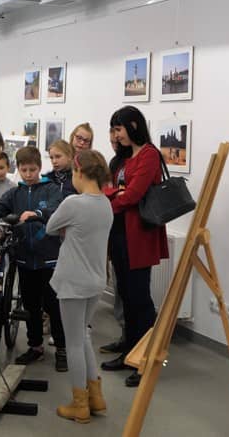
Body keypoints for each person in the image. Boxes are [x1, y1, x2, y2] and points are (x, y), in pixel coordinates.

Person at [100, 106, 168, 388]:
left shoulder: (149, 154)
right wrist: (115, 193)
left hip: (138, 236)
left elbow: (134, 194)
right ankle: (130, 351)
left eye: (118, 129)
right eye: (113, 130)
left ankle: (146, 360)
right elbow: (106, 188)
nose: (115, 135)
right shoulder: (121, 159)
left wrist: (111, 199)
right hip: (118, 234)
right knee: (126, 296)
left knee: (140, 299)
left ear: (133, 126)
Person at [0, 146, 67, 371]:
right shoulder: (15, 193)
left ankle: (62, 348)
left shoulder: (51, 189)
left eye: (33, 169)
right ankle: (35, 346)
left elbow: (57, 210)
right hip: (24, 259)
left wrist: (37, 214)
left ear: (39, 167)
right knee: (30, 306)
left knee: (54, 305)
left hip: (49, 259)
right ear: (18, 169)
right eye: (24, 170)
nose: (28, 174)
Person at [47, 150, 113, 424]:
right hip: (96, 282)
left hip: (73, 283)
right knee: (83, 336)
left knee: (73, 342)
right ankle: (96, 397)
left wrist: (67, 230)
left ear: (80, 173)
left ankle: (80, 405)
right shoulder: (106, 204)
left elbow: (51, 227)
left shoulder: (73, 203)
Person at [100, 128, 126, 355]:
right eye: (111, 142)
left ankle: (133, 343)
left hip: (129, 234)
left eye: (117, 141)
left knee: (130, 292)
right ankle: (125, 336)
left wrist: (111, 199)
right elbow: (109, 191)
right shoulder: (115, 163)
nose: (114, 146)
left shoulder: (138, 160)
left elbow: (128, 196)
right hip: (114, 231)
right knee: (119, 286)